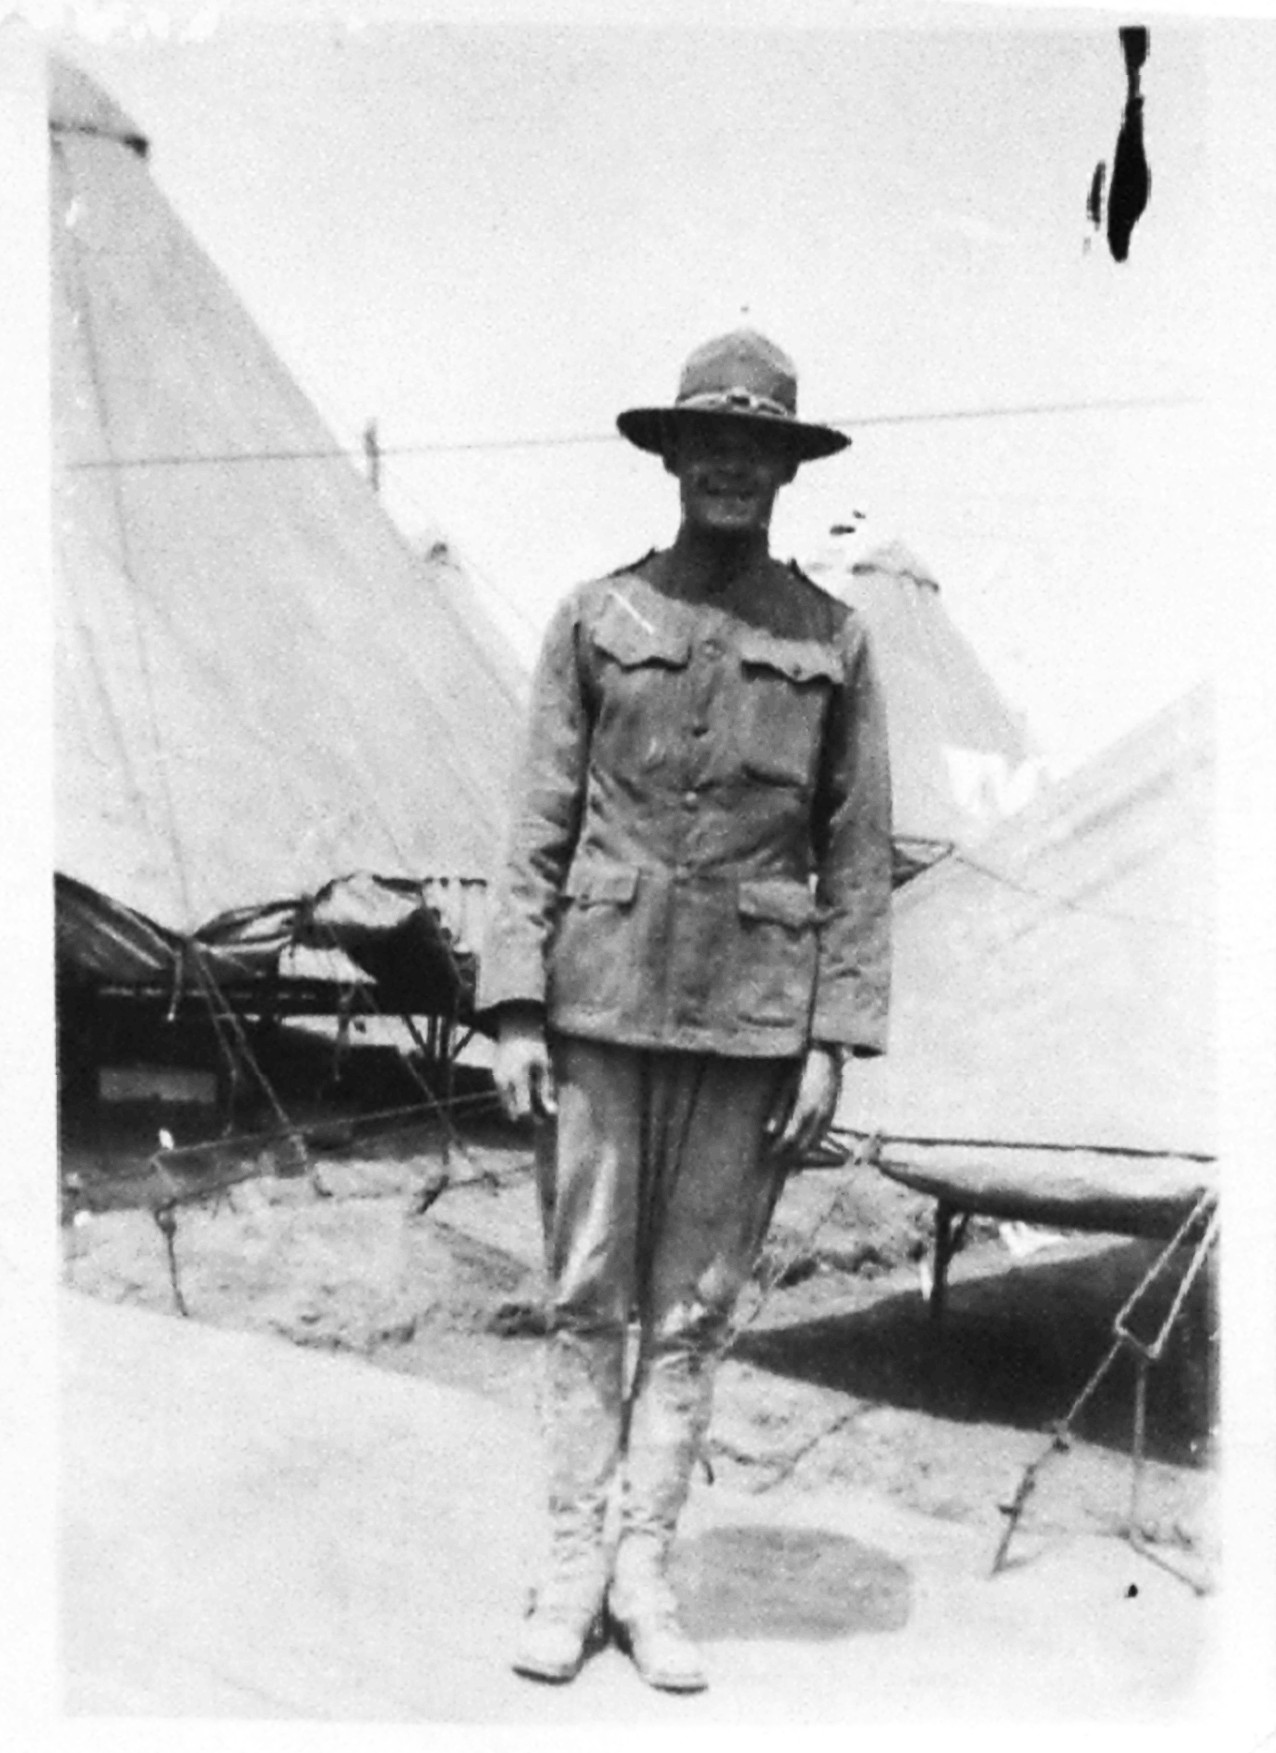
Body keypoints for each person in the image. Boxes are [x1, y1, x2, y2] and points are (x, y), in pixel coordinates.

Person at [476, 329, 892, 1693]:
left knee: (695, 1311)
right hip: (597, 1006)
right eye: (709, 441)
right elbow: (536, 824)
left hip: (750, 1024)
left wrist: (833, 1039)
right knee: (585, 1294)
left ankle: (645, 1572)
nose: (730, 464)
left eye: (754, 446)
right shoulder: (597, 618)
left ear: (785, 469)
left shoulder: (833, 640)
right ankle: (568, 1568)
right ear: (673, 457)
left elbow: (856, 852)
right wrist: (515, 1007)